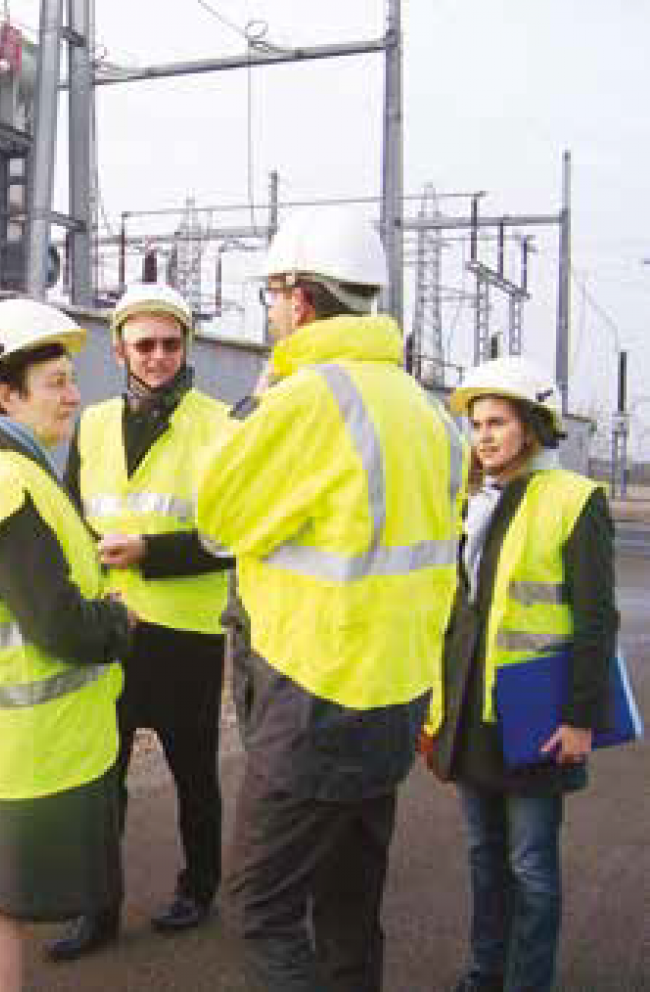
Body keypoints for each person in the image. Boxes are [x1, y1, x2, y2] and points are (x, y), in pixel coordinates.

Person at [194, 206, 466, 990]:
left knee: (259, 908)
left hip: (315, 694)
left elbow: (217, 519)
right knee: (349, 905)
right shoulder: (426, 411)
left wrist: (255, 404)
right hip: (394, 695)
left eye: (272, 297)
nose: (271, 313)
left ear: (301, 301)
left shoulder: (308, 399)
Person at [0, 298, 133, 992]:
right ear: (4, 392)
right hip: (17, 753)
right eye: (57, 382)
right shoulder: (11, 486)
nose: (74, 396)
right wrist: (117, 623)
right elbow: (60, 627)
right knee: (0, 909)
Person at [423, 357, 618, 992]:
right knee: (485, 859)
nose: (483, 436)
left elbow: (596, 621)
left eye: (498, 422)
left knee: (531, 865)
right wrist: (434, 711)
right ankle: (484, 973)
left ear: (532, 426)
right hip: (472, 715)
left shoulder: (574, 501)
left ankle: (526, 982)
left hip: (535, 715)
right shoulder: (469, 504)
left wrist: (581, 718)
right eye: (476, 424)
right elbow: (451, 614)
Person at [52, 281, 232, 961]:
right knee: (102, 775)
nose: (158, 356)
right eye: (145, 344)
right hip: (112, 628)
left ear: (187, 346)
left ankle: (200, 887)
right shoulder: (93, 423)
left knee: (194, 774)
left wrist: (151, 552)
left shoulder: (220, 425)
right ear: (119, 347)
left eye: (171, 343)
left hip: (187, 633)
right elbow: (73, 513)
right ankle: (96, 909)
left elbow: (233, 537)